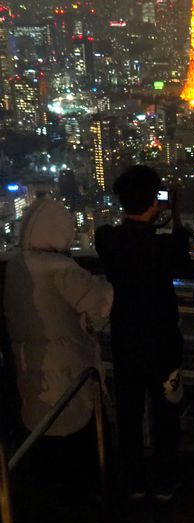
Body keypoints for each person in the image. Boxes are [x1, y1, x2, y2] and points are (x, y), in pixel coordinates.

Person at [4, 198, 113, 497]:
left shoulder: (15, 265)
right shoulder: (60, 268)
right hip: (68, 367)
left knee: (42, 428)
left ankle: (48, 497)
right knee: (74, 428)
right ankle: (84, 499)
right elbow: (101, 302)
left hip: (29, 365)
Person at [95, 166, 190, 500]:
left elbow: (124, 235)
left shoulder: (106, 239)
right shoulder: (165, 246)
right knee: (167, 410)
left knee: (130, 412)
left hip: (125, 338)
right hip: (163, 339)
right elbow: (181, 253)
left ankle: (133, 480)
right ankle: (165, 481)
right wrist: (174, 215)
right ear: (155, 201)